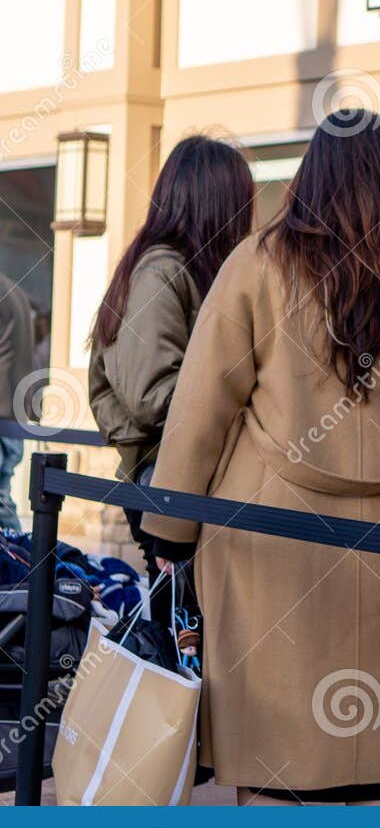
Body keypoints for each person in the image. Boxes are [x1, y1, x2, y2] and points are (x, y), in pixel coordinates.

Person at [140, 109, 380, 806]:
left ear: (310, 172)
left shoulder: (259, 262)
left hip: (272, 534)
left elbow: (203, 405)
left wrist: (168, 527)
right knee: (376, 748)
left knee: (277, 755)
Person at [87, 134, 256, 618]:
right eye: (241, 202)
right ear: (216, 203)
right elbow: (151, 394)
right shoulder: (162, 271)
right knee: (180, 631)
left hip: (180, 479)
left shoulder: (189, 270)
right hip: (162, 481)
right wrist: (245, 408)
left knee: (188, 627)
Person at [0, 272, 35, 531]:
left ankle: (18, 568)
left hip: (3, 415)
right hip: (13, 413)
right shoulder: (16, 290)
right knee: (3, 496)